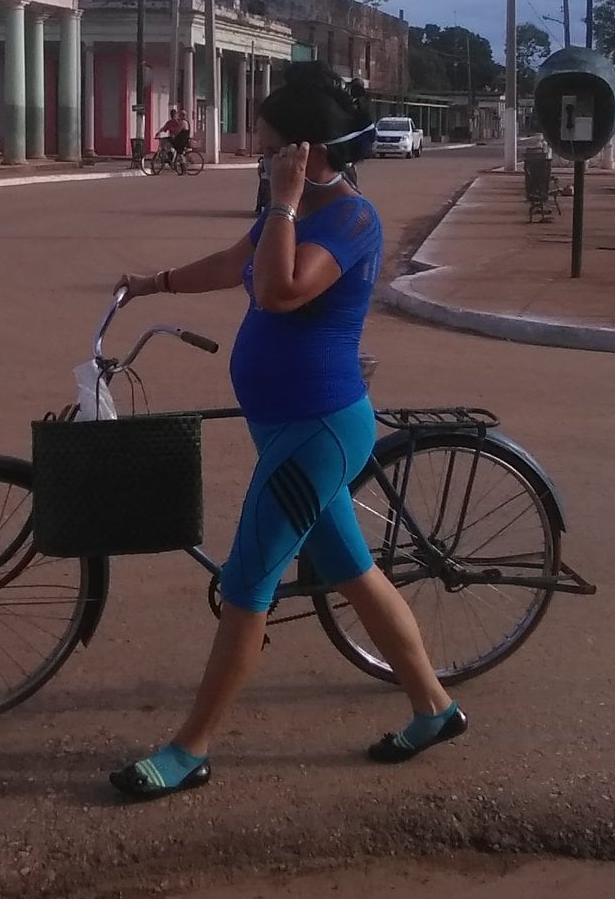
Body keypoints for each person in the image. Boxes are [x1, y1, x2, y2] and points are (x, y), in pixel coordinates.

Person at [110, 63, 468, 799]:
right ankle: (434, 707)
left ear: (305, 151)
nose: (260, 156)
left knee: (246, 585)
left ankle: (190, 751)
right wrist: (159, 282)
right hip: (287, 430)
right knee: (355, 575)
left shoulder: (348, 219)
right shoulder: (293, 213)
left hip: (320, 429)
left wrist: (283, 201)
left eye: (271, 146)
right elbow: (237, 263)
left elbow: (277, 291)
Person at [157, 104, 192, 171]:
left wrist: (174, 134)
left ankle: (182, 168)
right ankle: (171, 159)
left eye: (175, 115)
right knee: (167, 145)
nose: (175, 116)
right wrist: (159, 132)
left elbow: (178, 131)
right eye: (172, 115)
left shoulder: (182, 122)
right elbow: (164, 128)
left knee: (179, 153)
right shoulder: (172, 122)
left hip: (181, 141)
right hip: (178, 139)